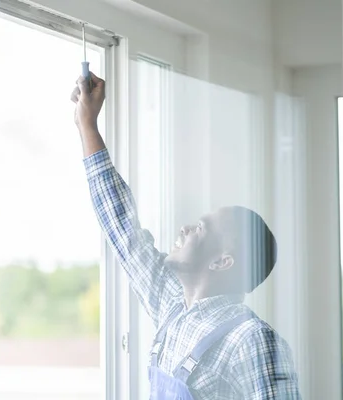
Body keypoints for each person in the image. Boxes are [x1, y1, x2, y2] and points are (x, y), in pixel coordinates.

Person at [70, 72, 301, 400]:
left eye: (201, 228)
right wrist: (87, 125)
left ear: (223, 261)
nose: (185, 228)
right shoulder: (172, 308)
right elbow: (122, 226)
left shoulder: (253, 341)